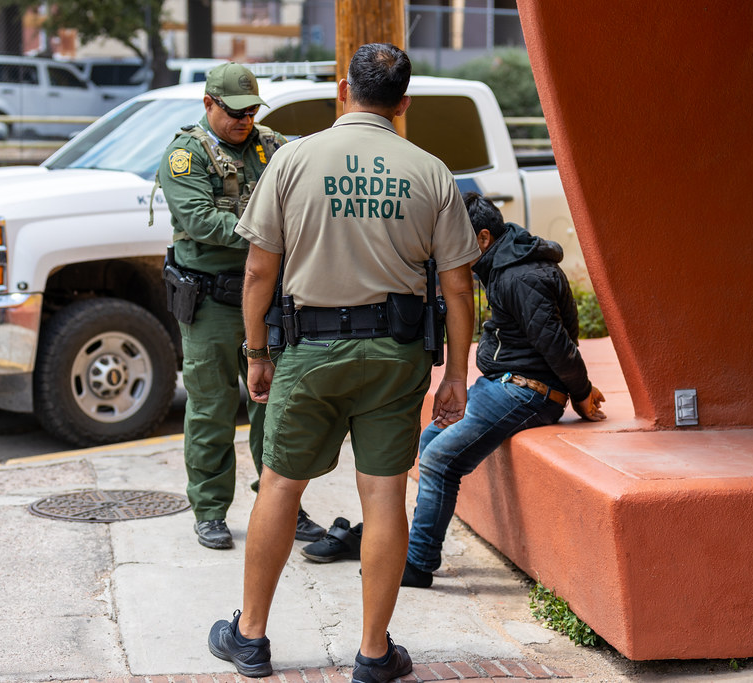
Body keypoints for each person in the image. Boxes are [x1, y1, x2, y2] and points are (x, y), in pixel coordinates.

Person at [207, 43, 481, 681]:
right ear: (403, 104)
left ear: (342, 90)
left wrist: (256, 352)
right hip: (395, 356)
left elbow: (258, 271)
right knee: (383, 495)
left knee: (280, 485)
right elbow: (459, 287)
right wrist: (457, 376)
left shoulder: (292, 160)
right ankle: (374, 653)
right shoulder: (431, 172)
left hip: (310, 353)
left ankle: (250, 638)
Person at [157, 62, 326, 550]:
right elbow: (201, 221)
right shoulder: (185, 156)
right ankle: (210, 511)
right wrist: (272, 229)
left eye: (251, 111)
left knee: (276, 410)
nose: (244, 120)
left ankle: (281, 506)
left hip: (267, 300)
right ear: (208, 104)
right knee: (211, 411)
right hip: (211, 302)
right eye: (234, 112)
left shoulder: (272, 146)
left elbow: (306, 198)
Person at [400, 192, 607, 589]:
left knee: (440, 459)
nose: (447, 250)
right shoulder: (502, 263)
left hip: (528, 392)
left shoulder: (520, 276)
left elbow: (556, 344)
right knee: (430, 440)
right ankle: (416, 549)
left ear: (482, 238)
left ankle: (418, 563)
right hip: (503, 384)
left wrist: (581, 393)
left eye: (454, 240)